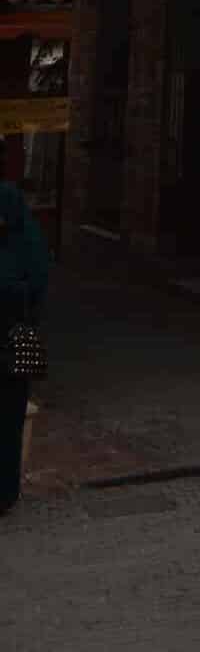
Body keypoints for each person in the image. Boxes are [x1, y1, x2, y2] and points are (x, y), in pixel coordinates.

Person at [0, 181, 49, 515]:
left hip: (13, 339)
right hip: (17, 339)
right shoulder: (26, 239)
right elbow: (39, 281)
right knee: (10, 417)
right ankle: (5, 492)